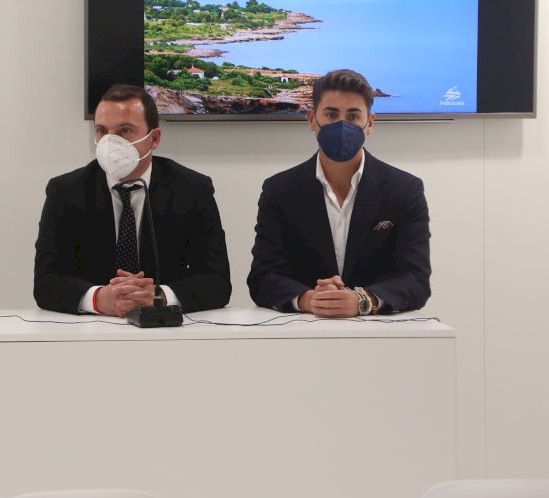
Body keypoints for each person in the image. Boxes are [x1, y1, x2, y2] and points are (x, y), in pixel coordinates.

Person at [34, 84, 231, 315]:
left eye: (125, 131)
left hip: (166, 329)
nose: (110, 143)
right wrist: (99, 299)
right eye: (101, 131)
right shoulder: (66, 191)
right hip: (90, 328)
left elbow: (217, 281)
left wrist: (159, 296)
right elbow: (46, 282)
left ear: (154, 138)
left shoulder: (192, 189)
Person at [248, 69, 430, 316]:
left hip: (380, 331)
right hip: (303, 329)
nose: (342, 125)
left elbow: (416, 280)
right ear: (312, 119)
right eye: (331, 114)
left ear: (370, 123)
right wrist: (309, 299)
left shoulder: (405, 190)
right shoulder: (279, 190)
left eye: (353, 116)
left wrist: (363, 300)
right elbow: (263, 277)